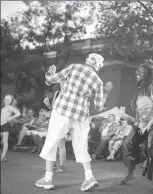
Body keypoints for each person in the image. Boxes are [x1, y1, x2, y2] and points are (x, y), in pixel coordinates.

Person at [35, 53, 113, 191]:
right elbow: (99, 106)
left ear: (87, 61)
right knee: (81, 146)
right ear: (98, 66)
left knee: (52, 142)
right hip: (81, 115)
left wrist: (50, 72)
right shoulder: (98, 81)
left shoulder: (74, 67)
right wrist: (106, 93)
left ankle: (48, 179)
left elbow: (51, 79)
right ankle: (89, 177)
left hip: (62, 111)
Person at [120, 59, 153, 193]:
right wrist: (134, 113)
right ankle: (131, 173)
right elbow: (137, 110)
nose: (138, 73)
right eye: (137, 71)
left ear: (149, 73)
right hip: (140, 125)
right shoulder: (138, 90)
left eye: (141, 71)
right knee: (126, 145)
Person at [1, 95, 21, 161]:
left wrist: (10, 118)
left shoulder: (10, 107)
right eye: (5, 99)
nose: (6, 101)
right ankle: (2, 155)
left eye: (8, 100)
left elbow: (18, 113)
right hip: (1, 124)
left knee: (5, 141)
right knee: (3, 141)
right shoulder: (2, 107)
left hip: (5, 125)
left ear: (11, 101)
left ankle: (3, 156)